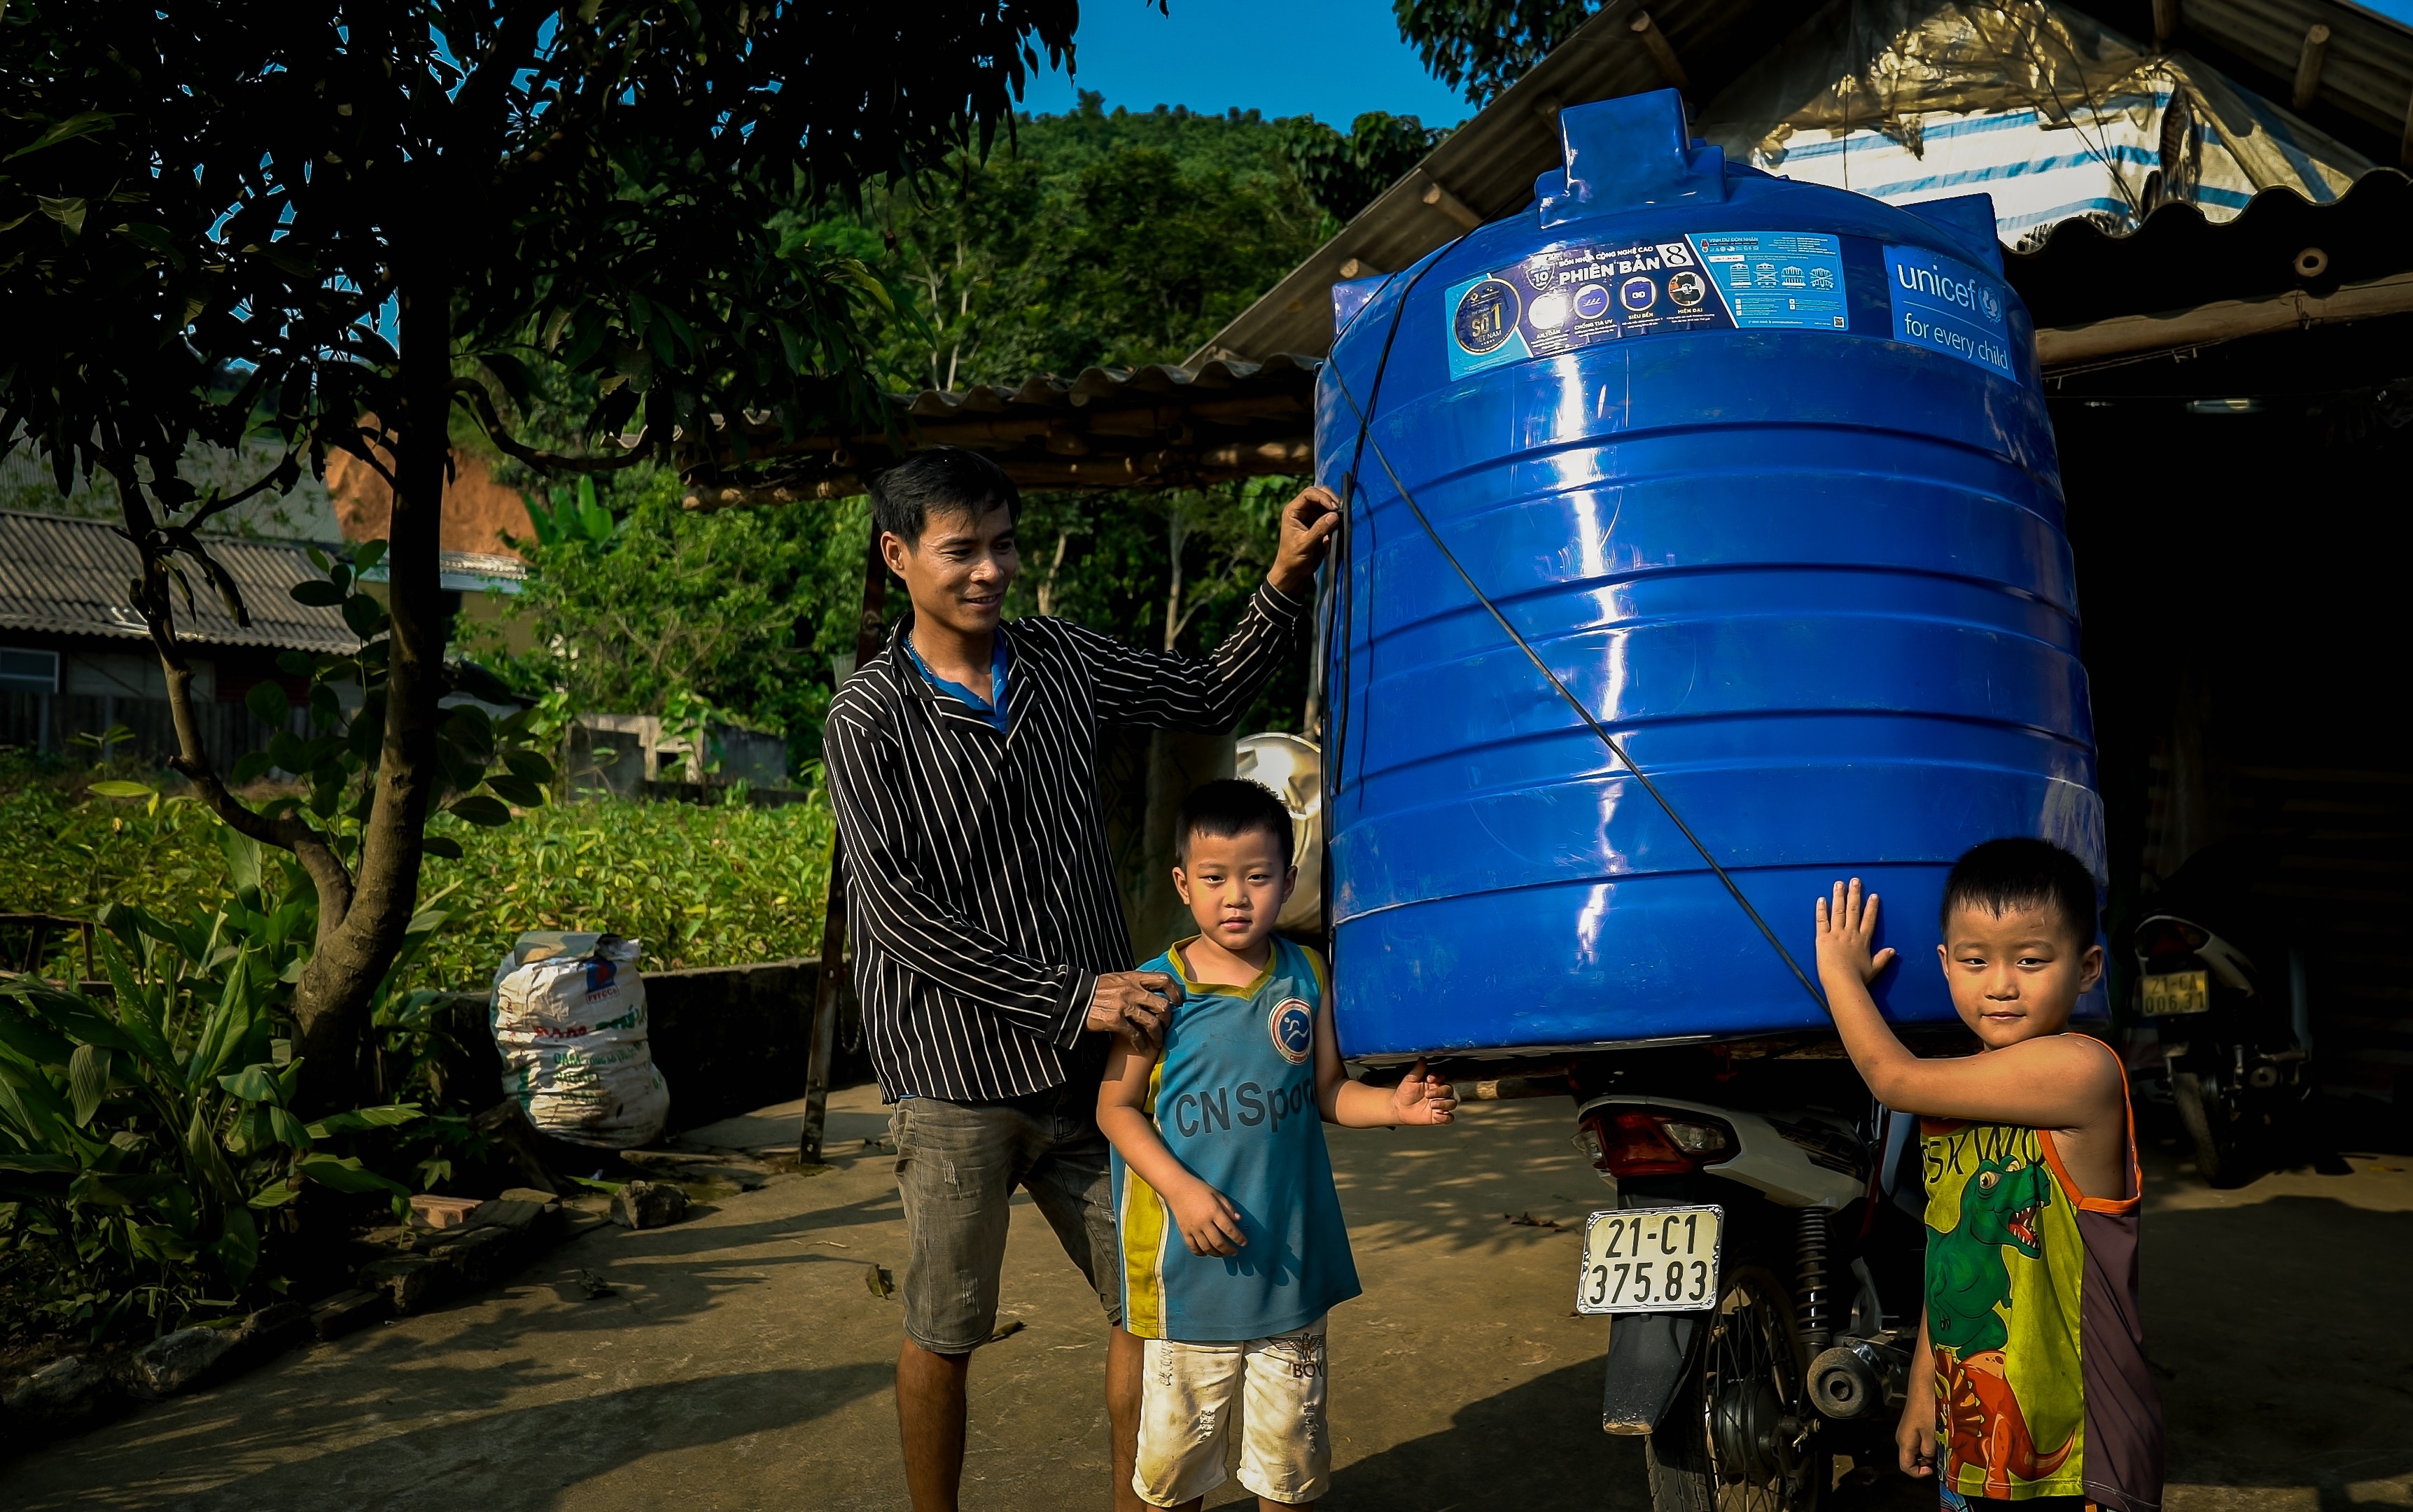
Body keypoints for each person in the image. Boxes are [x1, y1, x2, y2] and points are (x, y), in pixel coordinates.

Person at [820, 446, 1338, 1512]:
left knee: (1147, 1310)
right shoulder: (866, 719)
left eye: (1002, 545)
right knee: (946, 1324)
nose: (989, 570)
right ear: (899, 556)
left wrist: (1285, 573)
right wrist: (1072, 994)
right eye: (960, 549)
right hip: (955, 1078)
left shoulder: (1056, 659)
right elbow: (898, 910)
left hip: (1091, 1082)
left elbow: (1204, 687)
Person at [1096, 778, 1458, 1511]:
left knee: (1288, 1473)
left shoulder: (1305, 973)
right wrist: (1183, 1192)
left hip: (1290, 1276)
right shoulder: (1156, 990)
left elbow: (1328, 1092)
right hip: (1189, 1279)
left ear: (1288, 881)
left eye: (1258, 878)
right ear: (1183, 884)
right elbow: (1116, 1108)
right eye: (1215, 879)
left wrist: (1394, 1104)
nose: (1237, 897)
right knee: (1173, 1478)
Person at [1812, 839, 2164, 1512]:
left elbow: (1893, 1079)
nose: (2000, 984)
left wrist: (1839, 978)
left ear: (2087, 968)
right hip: (1977, 1437)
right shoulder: (1958, 1107)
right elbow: (1952, 1255)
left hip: (2080, 1446)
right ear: (1945, 966)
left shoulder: (2080, 1072)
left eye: (2030, 961)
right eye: (1975, 961)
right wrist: (1925, 1389)